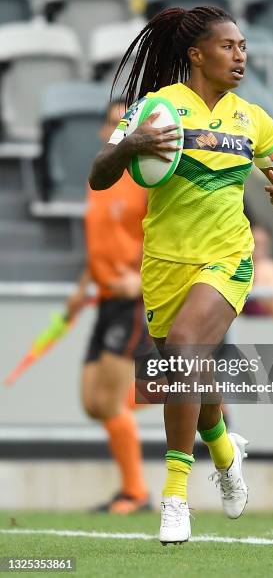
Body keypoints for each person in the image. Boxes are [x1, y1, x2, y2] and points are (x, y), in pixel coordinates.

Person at [89, 6, 273, 544]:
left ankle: (174, 495)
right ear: (196, 54)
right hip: (165, 263)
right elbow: (98, 174)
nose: (240, 56)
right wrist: (130, 146)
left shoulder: (252, 118)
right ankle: (227, 451)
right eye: (228, 46)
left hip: (228, 258)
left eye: (243, 47)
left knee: (187, 347)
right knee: (189, 374)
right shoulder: (157, 107)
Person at [67, 99, 151, 514]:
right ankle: (180, 390)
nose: (118, 129)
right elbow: (97, 245)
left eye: (127, 123)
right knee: (93, 402)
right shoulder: (97, 179)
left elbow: (164, 241)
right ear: (104, 133)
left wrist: (139, 280)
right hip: (102, 300)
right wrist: (80, 289)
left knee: (110, 400)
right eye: (113, 123)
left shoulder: (147, 179)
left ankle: (135, 492)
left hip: (131, 302)